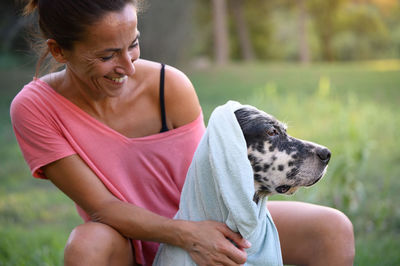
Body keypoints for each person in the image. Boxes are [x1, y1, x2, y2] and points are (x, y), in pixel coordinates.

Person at [10, 0, 355, 265]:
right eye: (107, 55)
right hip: (126, 242)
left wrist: (210, 232)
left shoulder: (168, 85)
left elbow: (216, 177)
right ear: (58, 51)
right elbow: (102, 207)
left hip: (209, 220)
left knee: (332, 230)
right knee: (87, 245)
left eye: (133, 44)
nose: (128, 67)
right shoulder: (35, 108)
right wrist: (188, 237)